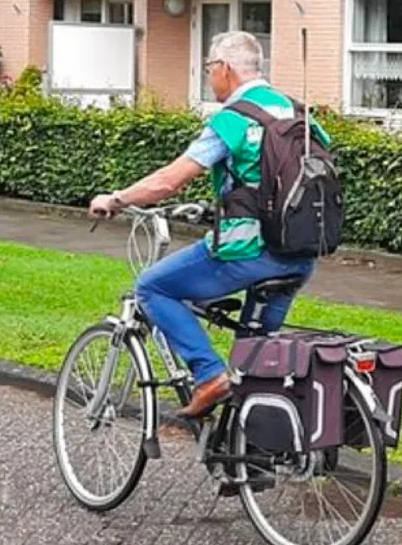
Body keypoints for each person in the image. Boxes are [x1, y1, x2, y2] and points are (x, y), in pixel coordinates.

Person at [87, 31, 330, 418]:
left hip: (248, 253)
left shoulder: (234, 119)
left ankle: (208, 375)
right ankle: (249, 448)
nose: (208, 76)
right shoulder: (298, 113)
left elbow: (169, 182)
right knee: (255, 364)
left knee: (153, 287)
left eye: (208, 68)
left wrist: (116, 199)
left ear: (224, 68)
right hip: (301, 255)